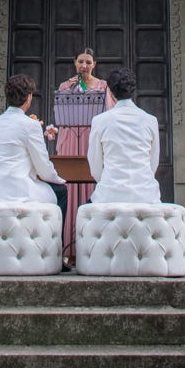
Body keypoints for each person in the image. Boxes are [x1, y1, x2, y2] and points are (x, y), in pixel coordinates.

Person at [0, 73, 68, 220]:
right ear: (29, 97)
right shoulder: (30, 125)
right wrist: (58, 179)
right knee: (61, 191)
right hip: (17, 190)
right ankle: (55, 242)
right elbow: (43, 167)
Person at [55, 47, 115, 261]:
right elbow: (60, 111)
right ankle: (69, 250)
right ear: (75, 63)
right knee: (70, 188)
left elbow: (110, 113)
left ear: (94, 64)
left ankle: (91, 246)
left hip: (92, 137)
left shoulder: (103, 86)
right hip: (71, 136)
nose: (84, 66)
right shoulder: (65, 86)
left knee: (91, 184)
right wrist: (70, 89)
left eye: (88, 62)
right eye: (81, 61)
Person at [87, 66, 161, 203]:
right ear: (132, 89)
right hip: (146, 195)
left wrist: (108, 182)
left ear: (109, 90)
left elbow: (95, 166)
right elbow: (153, 163)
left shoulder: (99, 121)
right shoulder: (151, 120)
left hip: (109, 194)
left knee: (83, 212)